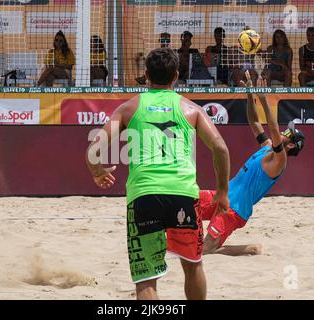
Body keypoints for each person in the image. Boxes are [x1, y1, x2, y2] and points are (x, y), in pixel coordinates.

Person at [85, 47, 230, 300]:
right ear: (176, 75)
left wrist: (98, 171)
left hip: (144, 196)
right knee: (193, 264)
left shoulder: (129, 108)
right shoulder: (191, 109)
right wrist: (222, 191)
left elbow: (92, 150)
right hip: (183, 194)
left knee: (146, 280)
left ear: (145, 75)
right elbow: (220, 148)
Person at [201, 71, 305, 256]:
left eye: (287, 133)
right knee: (184, 201)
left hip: (235, 209)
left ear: (289, 144)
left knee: (204, 250)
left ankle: (249, 249)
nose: (283, 131)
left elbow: (272, 129)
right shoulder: (267, 147)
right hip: (222, 196)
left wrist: (264, 98)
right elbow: (254, 121)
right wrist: (250, 93)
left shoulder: (280, 160)